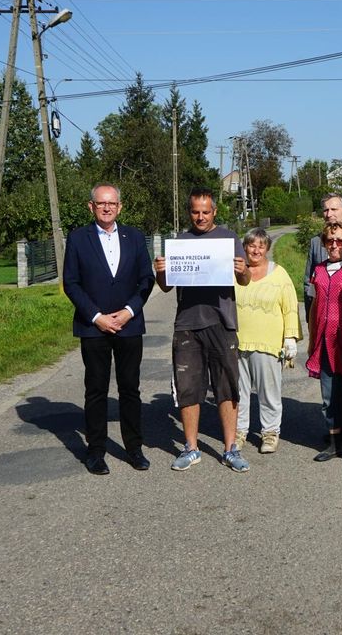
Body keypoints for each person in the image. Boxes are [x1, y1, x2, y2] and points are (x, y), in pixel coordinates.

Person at [154, 188, 251, 473]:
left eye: (205, 212)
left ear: (214, 211)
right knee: (188, 389)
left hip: (222, 322)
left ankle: (231, 448)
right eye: (195, 211)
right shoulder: (179, 243)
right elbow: (165, 286)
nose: (200, 216)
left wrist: (243, 269)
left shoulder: (229, 238)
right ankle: (191, 447)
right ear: (189, 212)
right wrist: (161, 269)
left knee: (226, 386)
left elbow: (243, 280)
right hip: (187, 324)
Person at [62, 183, 153, 475]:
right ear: (91, 207)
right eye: (101, 203)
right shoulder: (78, 239)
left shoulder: (136, 237)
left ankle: (134, 448)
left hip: (129, 326)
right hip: (94, 328)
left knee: (130, 390)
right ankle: (96, 451)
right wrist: (97, 316)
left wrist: (128, 312)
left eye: (112, 203)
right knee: (96, 391)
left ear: (120, 207)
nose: (106, 207)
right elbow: (71, 283)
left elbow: (145, 280)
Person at [234, 228, 301, 454]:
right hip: (238, 341)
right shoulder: (235, 271)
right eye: (252, 245)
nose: (256, 250)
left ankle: (270, 433)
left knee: (268, 391)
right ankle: (239, 431)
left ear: (267, 249)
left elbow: (290, 307)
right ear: (245, 247)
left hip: (268, 343)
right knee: (238, 391)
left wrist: (290, 337)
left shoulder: (279, 274)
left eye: (261, 246)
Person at [305, 222, 342, 463]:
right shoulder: (318, 270)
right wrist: (312, 339)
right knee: (330, 395)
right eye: (330, 241)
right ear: (324, 243)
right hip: (324, 341)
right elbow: (315, 306)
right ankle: (334, 443)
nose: (334, 245)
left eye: (340, 241)